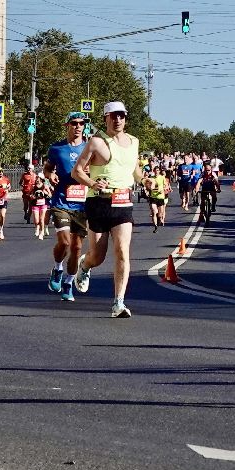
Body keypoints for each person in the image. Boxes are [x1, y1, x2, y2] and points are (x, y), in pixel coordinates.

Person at [71, 101, 144, 318]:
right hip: (98, 203)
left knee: (122, 250)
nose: (118, 119)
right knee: (98, 256)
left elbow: (135, 170)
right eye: (113, 116)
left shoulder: (133, 142)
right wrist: (92, 184)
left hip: (123, 203)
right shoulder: (96, 142)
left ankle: (118, 303)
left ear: (126, 118)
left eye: (121, 115)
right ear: (106, 118)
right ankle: (85, 265)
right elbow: (77, 172)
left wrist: (145, 180)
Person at [43, 112, 91, 300]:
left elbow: (98, 170)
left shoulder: (89, 148)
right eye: (74, 123)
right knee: (64, 242)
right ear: (67, 125)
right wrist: (49, 175)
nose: (78, 126)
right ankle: (57, 269)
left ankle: (69, 283)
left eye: (82, 123)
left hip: (82, 204)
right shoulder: (57, 148)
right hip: (61, 200)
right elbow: (48, 168)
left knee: (77, 248)